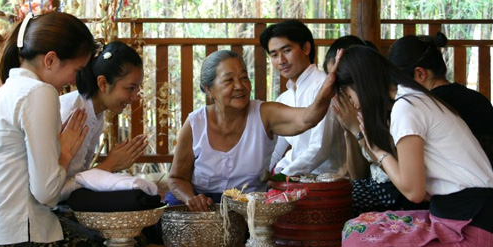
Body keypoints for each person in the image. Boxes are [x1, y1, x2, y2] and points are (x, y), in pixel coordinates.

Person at [330, 45, 493, 247]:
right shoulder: (412, 98)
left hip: (471, 240)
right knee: (357, 227)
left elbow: (413, 191)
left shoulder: (407, 107)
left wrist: (378, 151)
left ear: (361, 83)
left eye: (349, 96)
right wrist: (360, 135)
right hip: (453, 222)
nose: (354, 105)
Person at [0, 12, 103, 247]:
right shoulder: (40, 93)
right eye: (76, 70)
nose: (74, 81)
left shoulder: (2, 94)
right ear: (50, 60)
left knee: (74, 222)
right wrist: (64, 153)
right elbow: (47, 194)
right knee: (127, 246)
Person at [387, 32, 493, 247]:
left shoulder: (424, 106)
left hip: (476, 215)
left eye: (398, 84)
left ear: (419, 74)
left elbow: (415, 189)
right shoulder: (474, 97)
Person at [166, 49, 338, 212]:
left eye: (244, 78)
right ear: (209, 89)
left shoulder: (265, 114)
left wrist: (324, 90)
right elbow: (177, 178)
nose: (240, 86)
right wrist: (192, 199)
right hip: (203, 207)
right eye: (229, 80)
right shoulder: (195, 123)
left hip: (249, 208)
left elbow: (307, 118)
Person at [325, 36, 428, 215]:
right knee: (332, 198)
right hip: (376, 186)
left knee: (340, 207)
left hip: (399, 192)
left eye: (342, 84)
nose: (339, 93)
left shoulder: (398, 109)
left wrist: (358, 132)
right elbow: (358, 176)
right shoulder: (357, 110)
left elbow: (399, 171)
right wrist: (350, 131)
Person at [59, 40, 149, 201]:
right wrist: (109, 165)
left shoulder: (95, 113)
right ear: (103, 83)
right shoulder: (72, 114)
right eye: (130, 88)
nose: (135, 97)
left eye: (137, 88)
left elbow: (80, 178)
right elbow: (56, 192)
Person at [259, 20, 346, 176]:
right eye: (274, 55)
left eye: (286, 50)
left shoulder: (324, 86)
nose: (281, 60)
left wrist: (282, 177)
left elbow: (319, 149)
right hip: (294, 179)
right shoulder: (284, 99)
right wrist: (261, 175)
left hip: (327, 182)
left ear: (306, 48)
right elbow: (275, 149)